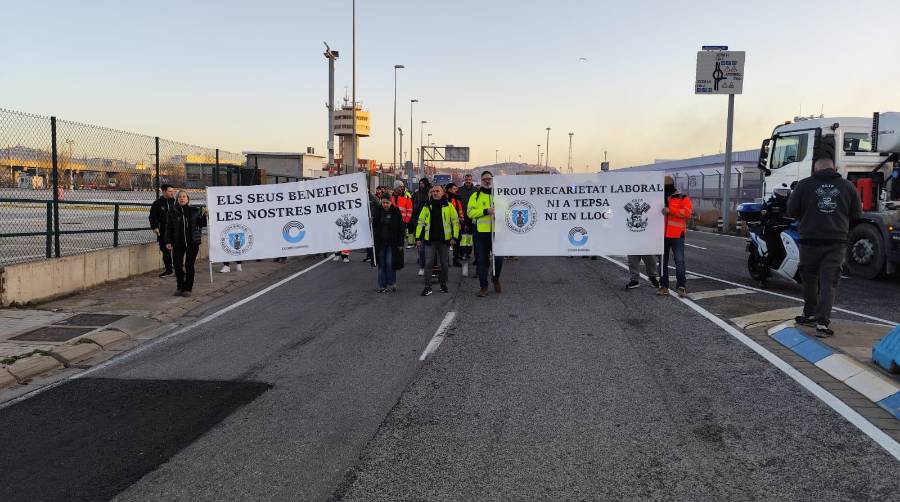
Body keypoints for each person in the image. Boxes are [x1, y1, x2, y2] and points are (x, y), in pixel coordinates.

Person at [787, 157, 862, 337]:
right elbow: (857, 214)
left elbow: (791, 211)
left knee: (809, 278)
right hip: (836, 242)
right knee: (829, 281)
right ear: (834, 168)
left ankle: (810, 313)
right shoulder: (848, 186)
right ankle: (822, 324)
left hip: (809, 240)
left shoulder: (804, 185)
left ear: (815, 169)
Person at [416, 184, 460, 296]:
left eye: (437, 191)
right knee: (428, 263)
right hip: (430, 240)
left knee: (444, 264)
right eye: (433, 191)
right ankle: (428, 287)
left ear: (442, 193)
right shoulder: (427, 206)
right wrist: (417, 238)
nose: (435, 193)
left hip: (444, 241)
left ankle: (443, 284)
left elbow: (455, 222)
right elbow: (420, 222)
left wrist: (454, 237)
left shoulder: (449, 206)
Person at [164, 190, 207, 298]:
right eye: (180, 197)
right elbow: (169, 228)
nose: (182, 198)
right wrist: (168, 241)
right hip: (178, 243)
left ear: (188, 199)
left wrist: (205, 216)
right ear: (177, 199)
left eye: (184, 196)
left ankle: (188, 288)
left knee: (189, 265)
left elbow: (201, 224)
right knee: (177, 265)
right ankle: (180, 286)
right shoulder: (172, 212)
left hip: (192, 243)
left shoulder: (194, 211)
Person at [468, 170, 504, 297]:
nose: (487, 181)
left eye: (489, 179)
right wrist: (485, 211)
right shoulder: (475, 196)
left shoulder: (499, 195)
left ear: (492, 180)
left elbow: (507, 211)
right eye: (485, 179)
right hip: (481, 235)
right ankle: (483, 287)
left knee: (499, 260)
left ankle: (495, 278)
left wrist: (499, 213)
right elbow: (470, 213)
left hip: (497, 234)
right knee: (482, 262)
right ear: (481, 181)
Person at [658, 176, 693, 298]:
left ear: (672, 185)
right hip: (661, 235)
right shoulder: (657, 198)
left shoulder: (682, 198)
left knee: (679, 261)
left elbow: (688, 213)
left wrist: (670, 210)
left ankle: (681, 287)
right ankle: (663, 287)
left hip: (677, 235)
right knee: (662, 262)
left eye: (666, 186)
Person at [373, 193, 404, 293]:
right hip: (380, 242)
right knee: (381, 264)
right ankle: (382, 285)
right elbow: (374, 226)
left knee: (390, 263)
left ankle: (392, 283)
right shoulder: (377, 211)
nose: (385, 204)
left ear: (391, 202)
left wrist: (400, 243)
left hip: (392, 243)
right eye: (383, 202)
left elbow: (401, 229)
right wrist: (371, 221)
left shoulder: (396, 211)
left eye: (387, 203)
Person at [149, 184, 176, 277]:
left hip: (175, 230)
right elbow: (152, 217)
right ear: (164, 191)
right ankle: (169, 270)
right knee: (165, 250)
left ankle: (178, 269)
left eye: (173, 191)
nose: (172, 193)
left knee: (177, 250)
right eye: (170, 191)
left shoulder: (175, 202)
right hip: (163, 231)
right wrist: (155, 227)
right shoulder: (157, 203)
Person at [412, 178, 432, 275]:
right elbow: (413, 208)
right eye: (420, 183)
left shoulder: (431, 193)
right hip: (420, 223)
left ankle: (432, 268)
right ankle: (422, 267)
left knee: (432, 250)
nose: (421, 185)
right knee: (421, 248)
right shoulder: (416, 194)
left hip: (431, 226)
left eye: (423, 183)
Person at [457, 174, 477, 264]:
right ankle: (462, 253)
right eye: (466, 179)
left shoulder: (476, 191)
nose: (468, 181)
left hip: (472, 218)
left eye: (469, 179)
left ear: (472, 180)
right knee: (462, 236)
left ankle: (468, 252)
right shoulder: (459, 190)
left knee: (469, 236)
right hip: (462, 217)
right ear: (464, 180)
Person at [445, 182, 466, 267]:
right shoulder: (445, 198)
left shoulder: (456, 198)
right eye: (454, 189)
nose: (456, 190)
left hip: (456, 223)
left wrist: (461, 220)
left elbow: (460, 210)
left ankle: (456, 259)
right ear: (449, 189)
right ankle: (446, 261)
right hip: (447, 224)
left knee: (457, 241)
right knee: (446, 243)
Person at [392, 181, 414, 248]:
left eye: (402, 187)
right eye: (400, 187)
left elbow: (409, 209)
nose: (401, 188)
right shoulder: (390, 196)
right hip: (392, 221)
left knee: (400, 239)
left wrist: (406, 220)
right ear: (395, 188)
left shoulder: (406, 196)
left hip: (402, 221)